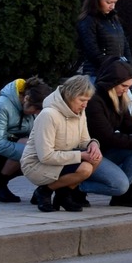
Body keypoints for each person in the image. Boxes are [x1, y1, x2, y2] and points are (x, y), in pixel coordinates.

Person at [22, 75, 104, 212]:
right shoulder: (48, 114)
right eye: (82, 100)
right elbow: (46, 156)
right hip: (37, 164)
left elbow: (84, 140)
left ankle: (63, 194)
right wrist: (81, 155)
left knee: (96, 157)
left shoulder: (80, 111)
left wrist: (93, 144)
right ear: (69, 95)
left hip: (62, 158)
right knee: (85, 168)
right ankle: (44, 191)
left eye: (87, 101)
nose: (85, 105)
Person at [84, 59, 132, 206]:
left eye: (129, 87)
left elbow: (129, 127)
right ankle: (74, 187)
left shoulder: (119, 98)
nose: (126, 90)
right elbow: (106, 137)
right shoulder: (94, 101)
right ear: (112, 82)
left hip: (105, 152)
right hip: (90, 154)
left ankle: (123, 195)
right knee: (119, 185)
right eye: (124, 86)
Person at [0, 78, 48, 202]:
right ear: (27, 99)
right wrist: (31, 153)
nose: (37, 112)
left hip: (8, 145)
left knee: (40, 147)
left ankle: (42, 190)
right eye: (37, 109)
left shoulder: (30, 108)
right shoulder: (1, 105)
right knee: (31, 149)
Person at [76, 0, 130, 76]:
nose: (112, 6)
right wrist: (115, 67)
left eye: (115, 2)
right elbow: (92, 51)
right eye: (108, 2)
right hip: (96, 74)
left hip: (116, 73)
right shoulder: (88, 20)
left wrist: (128, 67)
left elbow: (125, 45)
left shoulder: (113, 19)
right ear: (97, 0)